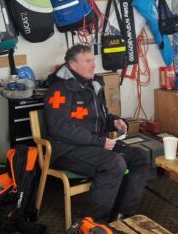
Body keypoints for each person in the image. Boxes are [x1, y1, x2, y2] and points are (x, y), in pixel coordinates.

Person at [44, 45, 149, 223]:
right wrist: (99, 141)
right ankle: (90, 225)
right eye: (87, 61)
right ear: (72, 65)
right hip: (67, 150)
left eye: (93, 60)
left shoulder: (93, 84)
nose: (93, 65)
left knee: (140, 157)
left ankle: (122, 216)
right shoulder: (59, 90)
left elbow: (100, 117)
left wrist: (114, 121)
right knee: (114, 163)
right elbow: (60, 128)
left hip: (94, 145)